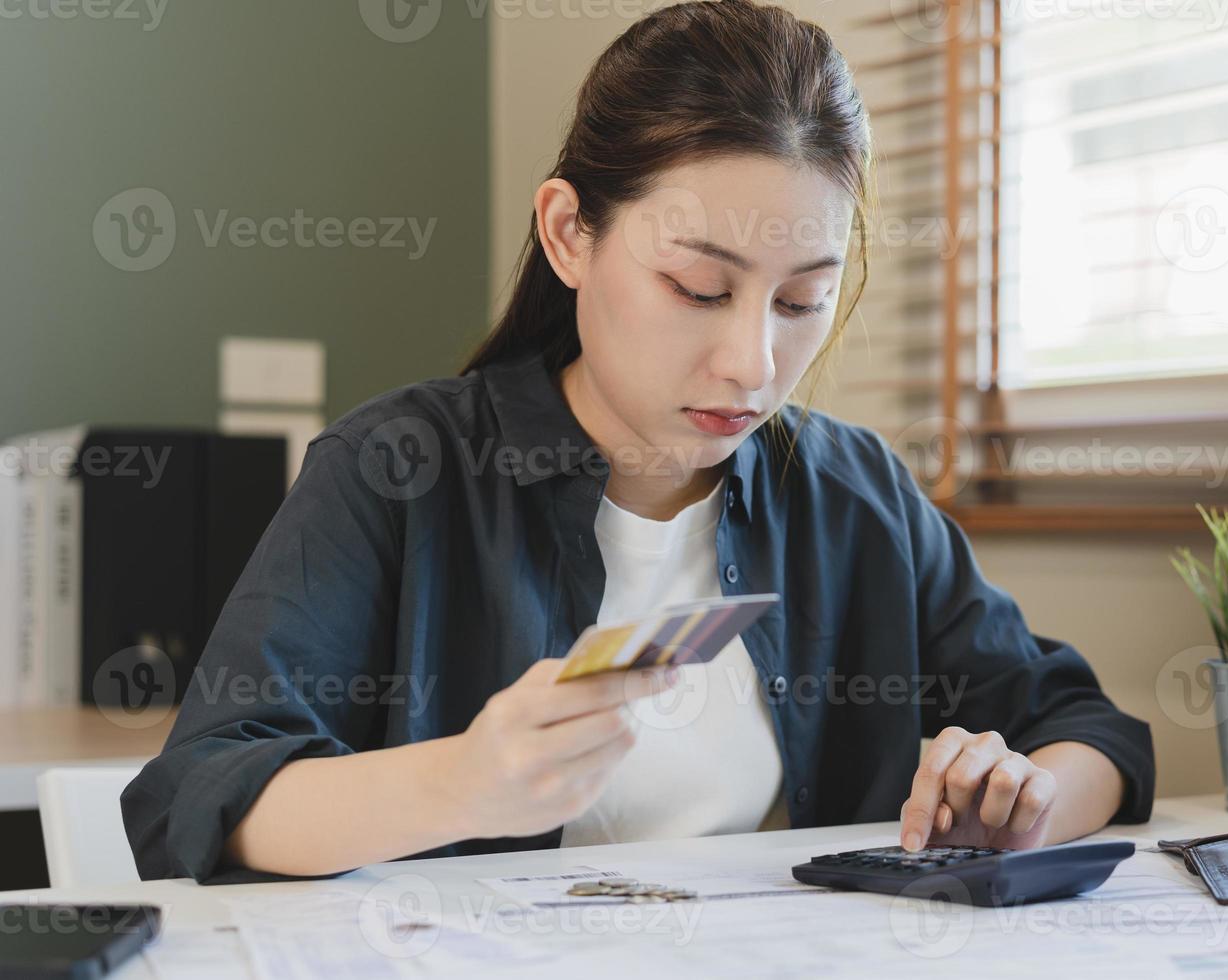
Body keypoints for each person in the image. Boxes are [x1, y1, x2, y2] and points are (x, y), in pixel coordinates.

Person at [121, 0, 1153, 885]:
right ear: (571, 233)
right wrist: (458, 780)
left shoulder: (854, 492)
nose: (752, 362)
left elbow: (1090, 728)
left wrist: (1025, 805)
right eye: (698, 289)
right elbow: (201, 797)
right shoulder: (399, 467)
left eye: (803, 301)